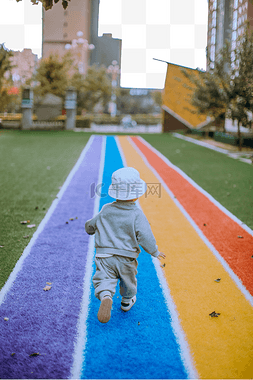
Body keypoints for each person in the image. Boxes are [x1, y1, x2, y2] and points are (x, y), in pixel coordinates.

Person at [85, 167, 166, 323]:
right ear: (136, 194)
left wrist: (88, 227)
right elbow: (145, 236)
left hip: (104, 256)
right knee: (128, 280)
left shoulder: (106, 209)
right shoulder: (136, 214)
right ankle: (126, 301)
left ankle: (106, 295)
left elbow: (92, 225)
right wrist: (154, 251)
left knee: (104, 279)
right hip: (126, 257)